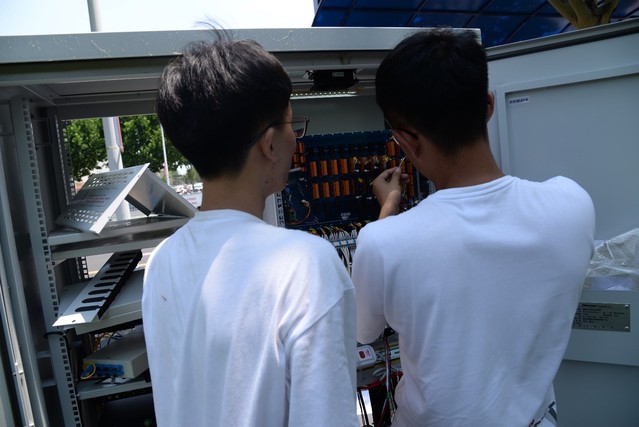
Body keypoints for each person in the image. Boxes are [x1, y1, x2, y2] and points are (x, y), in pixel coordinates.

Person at [351, 28, 595, 427]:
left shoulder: (382, 241)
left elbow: (364, 330)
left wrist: (388, 209)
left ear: (405, 140)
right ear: (488, 105)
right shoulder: (573, 204)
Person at [142, 36, 359, 427]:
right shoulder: (305, 265)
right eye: (293, 124)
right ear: (270, 144)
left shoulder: (161, 261)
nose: (296, 139)